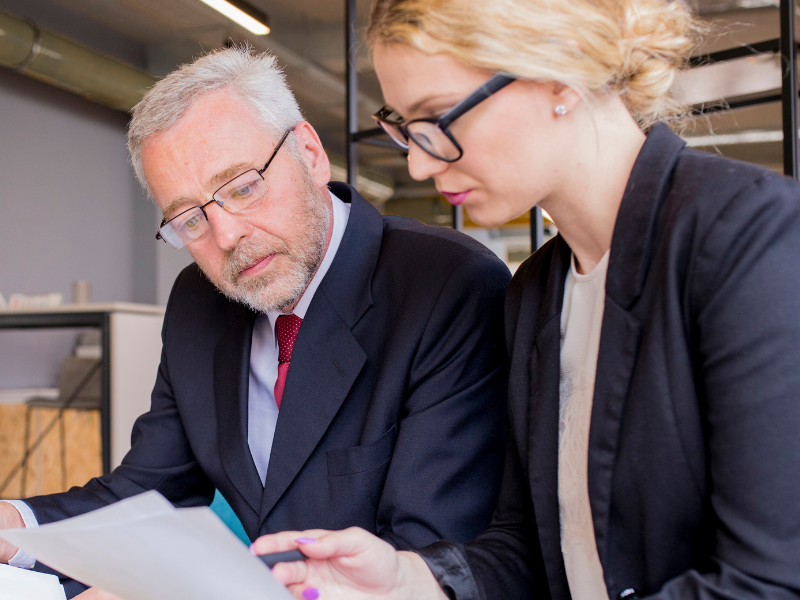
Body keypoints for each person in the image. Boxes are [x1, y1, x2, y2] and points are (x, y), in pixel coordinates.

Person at [251, 0, 800, 598]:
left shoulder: (750, 238)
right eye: (405, 126)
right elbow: (529, 547)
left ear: (558, 74)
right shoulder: (537, 291)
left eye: (438, 118)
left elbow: (769, 581)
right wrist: (410, 579)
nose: (416, 160)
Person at [0, 46, 512, 599]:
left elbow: (432, 550)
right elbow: (153, 490)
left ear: (311, 153)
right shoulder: (199, 302)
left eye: (243, 187)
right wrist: (15, 528)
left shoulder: (444, 284)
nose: (226, 236)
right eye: (189, 219)